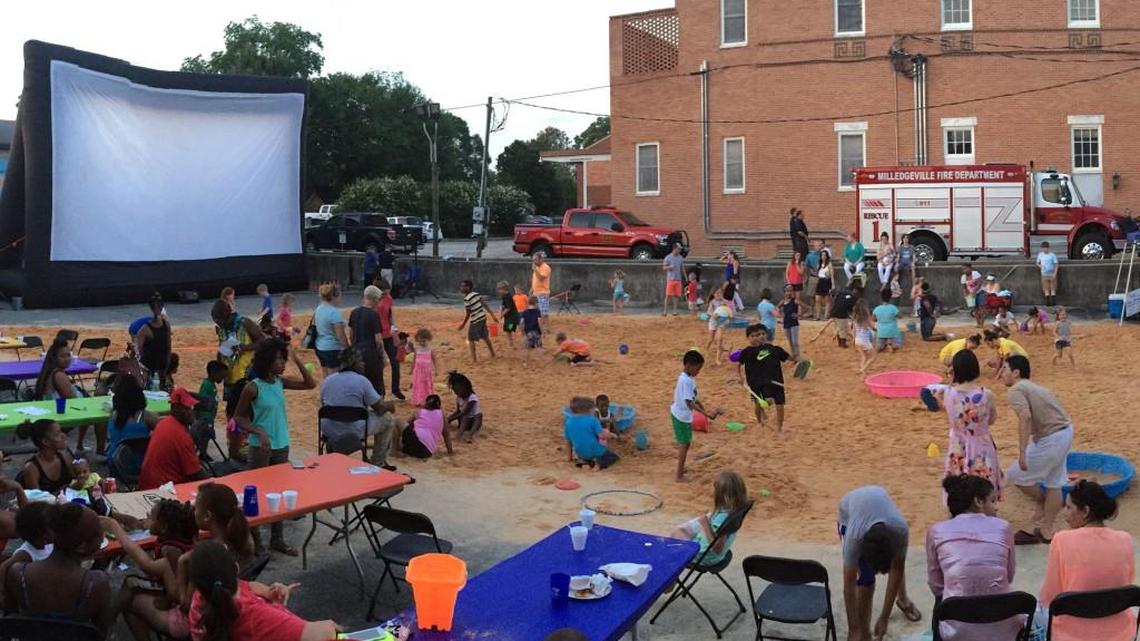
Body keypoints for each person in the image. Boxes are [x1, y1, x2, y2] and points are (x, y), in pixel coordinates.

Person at [233, 339, 316, 556]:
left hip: (281, 445)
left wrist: (298, 360)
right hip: (260, 447)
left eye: (283, 358)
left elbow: (310, 384)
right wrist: (258, 431)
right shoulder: (253, 387)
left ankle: (276, 539)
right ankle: (257, 541)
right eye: (278, 359)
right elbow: (239, 417)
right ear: (267, 361)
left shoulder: (279, 382)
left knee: (277, 492)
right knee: (256, 494)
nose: (282, 363)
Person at [187, 540, 339, 641]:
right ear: (236, 567)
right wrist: (329, 626)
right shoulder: (253, 617)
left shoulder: (202, 603)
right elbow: (320, 635)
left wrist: (268, 592)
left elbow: (249, 586)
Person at [1039, 480, 1135, 641]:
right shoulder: (1125, 539)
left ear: (1085, 511)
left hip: (1071, 633)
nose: (1064, 513)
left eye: (1069, 507)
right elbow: (1126, 584)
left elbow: (1050, 596)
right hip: (1121, 632)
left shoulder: (1061, 539)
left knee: (1036, 609)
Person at [926, 475, 1018, 641]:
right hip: (1001, 623)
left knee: (942, 601)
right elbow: (1009, 575)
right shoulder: (1003, 527)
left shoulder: (936, 531)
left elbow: (936, 585)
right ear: (978, 501)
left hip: (956, 626)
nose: (996, 508)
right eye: (993, 501)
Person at [1, 503, 113, 636]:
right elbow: (101, 633)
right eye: (99, 533)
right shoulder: (97, 583)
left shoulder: (18, 574)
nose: (102, 538)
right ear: (82, 547)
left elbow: (10, 623)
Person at [1000, 355, 1074, 544]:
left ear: (1016, 373)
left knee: (1015, 475)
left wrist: (1023, 451)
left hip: (1051, 437)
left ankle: (1041, 503)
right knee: (1054, 482)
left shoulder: (1016, 389)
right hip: (1064, 432)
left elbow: (1025, 417)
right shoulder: (1037, 387)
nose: (1001, 374)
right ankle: (1047, 530)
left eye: (1005, 369)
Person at [104, 499, 198, 641]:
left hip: (182, 619)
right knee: (131, 587)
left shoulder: (171, 551)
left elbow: (172, 590)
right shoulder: (182, 540)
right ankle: (108, 621)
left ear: (164, 527)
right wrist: (137, 523)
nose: (147, 518)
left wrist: (115, 528)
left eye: (150, 517)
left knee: (129, 590)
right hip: (187, 607)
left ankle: (105, 624)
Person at [838, 486, 920, 641]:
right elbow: (849, 584)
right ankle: (864, 632)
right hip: (849, 510)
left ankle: (902, 599)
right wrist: (853, 628)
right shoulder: (854, 537)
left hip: (876, 499)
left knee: (896, 563)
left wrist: (884, 618)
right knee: (867, 580)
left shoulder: (900, 530)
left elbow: (897, 568)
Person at [320, 348, 399, 470]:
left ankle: (333, 455)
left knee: (355, 412)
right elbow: (379, 408)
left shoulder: (328, 380)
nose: (363, 364)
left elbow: (324, 405)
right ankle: (378, 462)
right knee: (388, 420)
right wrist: (390, 406)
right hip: (353, 429)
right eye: (361, 361)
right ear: (354, 363)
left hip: (329, 429)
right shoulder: (362, 381)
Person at [943, 350, 1002, 494]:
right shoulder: (986, 394)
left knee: (958, 486)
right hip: (980, 443)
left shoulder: (948, 393)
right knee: (982, 486)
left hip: (957, 443)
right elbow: (992, 420)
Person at [34, 337, 104, 457]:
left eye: (68, 355)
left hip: (50, 413)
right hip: (59, 418)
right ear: (54, 358)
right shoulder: (59, 375)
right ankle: (100, 451)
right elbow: (73, 401)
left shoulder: (48, 371)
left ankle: (80, 446)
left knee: (89, 405)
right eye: (63, 356)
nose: (67, 359)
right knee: (101, 415)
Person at [138, 387, 210, 491]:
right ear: (176, 408)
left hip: (149, 485)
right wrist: (215, 482)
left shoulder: (163, 423)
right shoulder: (180, 435)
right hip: (165, 489)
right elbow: (195, 473)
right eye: (187, 408)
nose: (192, 413)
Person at [672, 471, 748, 567]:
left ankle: (669, 577)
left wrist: (705, 524)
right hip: (714, 554)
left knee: (676, 534)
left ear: (721, 495)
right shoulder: (735, 509)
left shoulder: (722, 518)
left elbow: (717, 548)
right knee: (682, 531)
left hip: (705, 557)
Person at [671, 350, 722, 481]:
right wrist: (706, 414)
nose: (698, 372)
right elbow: (690, 403)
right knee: (685, 445)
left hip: (680, 414)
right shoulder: (686, 381)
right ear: (688, 365)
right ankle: (679, 475)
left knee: (685, 444)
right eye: (697, 368)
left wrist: (706, 412)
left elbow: (694, 398)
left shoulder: (688, 378)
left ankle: (680, 469)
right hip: (681, 417)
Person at [212, 298, 266, 410]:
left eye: (218, 320)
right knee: (233, 409)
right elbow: (222, 347)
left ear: (226, 315)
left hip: (248, 372)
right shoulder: (222, 328)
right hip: (230, 376)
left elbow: (263, 340)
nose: (218, 323)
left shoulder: (244, 322)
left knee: (250, 408)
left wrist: (245, 347)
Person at [738, 324, 792, 430]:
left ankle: (779, 428)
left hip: (774, 381)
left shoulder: (774, 349)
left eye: (762, 334)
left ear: (767, 335)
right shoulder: (748, 351)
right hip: (755, 382)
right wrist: (741, 378)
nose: (759, 336)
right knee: (759, 403)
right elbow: (739, 364)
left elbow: (789, 358)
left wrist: (796, 361)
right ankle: (760, 422)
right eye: (756, 335)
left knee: (779, 404)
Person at [107, 375, 160, 476]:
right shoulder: (145, 416)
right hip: (138, 465)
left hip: (115, 464)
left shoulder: (114, 415)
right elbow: (164, 432)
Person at [348, 285, 387, 397]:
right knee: (376, 383)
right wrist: (383, 356)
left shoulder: (354, 312)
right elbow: (378, 340)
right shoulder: (374, 315)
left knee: (360, 382)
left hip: (357, 352)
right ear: (374, 299)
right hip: (371, 354)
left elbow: (351, 334)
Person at [17, 419, 75, 494]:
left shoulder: (65, 457)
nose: (64, 436)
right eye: (57, 434)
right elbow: (36, 501)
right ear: (46, 442)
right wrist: (60, 493)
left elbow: (76, 482)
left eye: (61, 431)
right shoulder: (31, 468)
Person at [564, 396, 617, 470]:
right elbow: (602, 436)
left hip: (582, 453)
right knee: (613, 457)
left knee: (584, 452)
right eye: (593, 409)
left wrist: (569, 458)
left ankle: (585, 462)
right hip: (596, 452)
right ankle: (599, 464)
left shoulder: (568, 422)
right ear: (588, 410)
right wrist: (612, 435)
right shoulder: (593, 420)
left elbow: (568, 441)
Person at [372, 279, 404, 399]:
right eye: (384, 293)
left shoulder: (388, 298)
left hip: (388, 334)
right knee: (379, 364)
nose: (387, 295)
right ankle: (381, 392)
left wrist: (395, 333)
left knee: (395, 362)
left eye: (387, 293)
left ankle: (395, 389)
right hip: (377, 335)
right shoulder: (371, 301)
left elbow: (391, 317)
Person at [136, 292, 173, 391]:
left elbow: (169, 347)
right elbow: (139, 351)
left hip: (162, 365)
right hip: (151, 366)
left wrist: (167, 367)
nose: (157, 308)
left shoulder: (166, 325)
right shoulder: (145, 329)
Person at [400, 394, 452, 459]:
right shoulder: (442, 414)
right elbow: (447, 436)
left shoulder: (420, 412)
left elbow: (405, 423)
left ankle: (393, 449)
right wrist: (450, 452)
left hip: (414, 444)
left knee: (398, 422)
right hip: (427, 452)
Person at [458, 280, 498, 362]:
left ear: (468, 288)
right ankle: (493, 353)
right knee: (485, 337)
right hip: (483, 318)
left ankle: (474, 360)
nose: (461, 288)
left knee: (471, 339)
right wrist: (492, 315)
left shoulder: (466, 299)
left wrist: (463, 324)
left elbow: (468, 314)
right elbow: (485, 305)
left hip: (475, 320)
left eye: (463, 286)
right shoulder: (476, 294)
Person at [313, 282, 348, 376]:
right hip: (332, 348)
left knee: (326, 377)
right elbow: (340, 335)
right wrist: (347, 348)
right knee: (335, 378)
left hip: (320, 347)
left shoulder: (318, 309)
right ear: (334, 296)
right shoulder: (334, 312)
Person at [445, 371, 483, 443]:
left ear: (465, 388)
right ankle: (459, 435)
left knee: (478, 416)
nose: (456, 393)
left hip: (472, 422)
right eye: (454, 391)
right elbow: (458, 411)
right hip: (463, 422)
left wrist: (451, 419)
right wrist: (448, 419)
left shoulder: (472, 398)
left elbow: (464, 412)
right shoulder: (459, 398)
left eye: (457, 390)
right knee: (465, 417)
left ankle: (470, 435)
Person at [408, 328, 438, 406]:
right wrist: (411, 369)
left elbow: (434, 359)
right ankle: (418, 400)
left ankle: (427, 400)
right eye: (420, 341)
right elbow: (414, 359)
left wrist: (436, 370)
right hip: (418, 372)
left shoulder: (430, 349)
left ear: (428, 339)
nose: (422, 342)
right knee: (419, 386)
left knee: (426, 386)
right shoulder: (417, 349)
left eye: (424, 341)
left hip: (427, 372)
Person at [705, 286, 734, 366]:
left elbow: (729, 310)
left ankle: (717, 359)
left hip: (721, 322)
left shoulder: (724, 302)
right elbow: (709, 312)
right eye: (717, 293)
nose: (718, 294)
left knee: (720, 339)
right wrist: (713, 315)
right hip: (713, 322)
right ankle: (706, 349)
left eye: (720, 293)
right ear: (713, 294)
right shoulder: (712, 302)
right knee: (711, 338)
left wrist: (730, 316)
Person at [777, 284, 804, 360]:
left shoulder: (795, 301)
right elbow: (777, 308)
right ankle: (794, 356)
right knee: (790, 342)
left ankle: (797, 356)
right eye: (787, 291)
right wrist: (781, 314)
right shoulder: (782, 301)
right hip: (786, 323)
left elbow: (806, 307)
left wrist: (799, 315)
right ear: (784, 292)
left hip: (794, 323)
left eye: (791, 291)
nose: (789, 292)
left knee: (795, 342)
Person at [851, 299, 877, 373]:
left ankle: (862, 370)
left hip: (857, 340)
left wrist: (853, 343)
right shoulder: (866, 318)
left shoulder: (855, 319)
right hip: (864, 340)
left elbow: (854, 331)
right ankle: (863, 369)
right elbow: (872, 327)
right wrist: (876, 329)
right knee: (873, 356)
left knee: (864, 356)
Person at [662, 243, 685, 316]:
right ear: (674, 249)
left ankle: (675, 311)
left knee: (676, 295)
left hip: (678, 279)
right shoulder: (668, 257)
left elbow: (682, 267)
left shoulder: (680, 257)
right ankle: (665, 311)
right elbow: (664, 267)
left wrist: (685, 277)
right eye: (679, 249)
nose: (680, 250)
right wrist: (669, 267)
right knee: (668, 295)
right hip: (670, 279)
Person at [531, 254, 552, 330]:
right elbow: (535, 280)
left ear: (541, 259)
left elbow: (541, 278)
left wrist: (535, 270)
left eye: (535, 260)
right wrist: (531, 289)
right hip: (536, 292)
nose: (534, 262)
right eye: (533, 260)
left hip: (543, 293)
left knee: (543, 313)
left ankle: (543, 329)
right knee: (540, 312)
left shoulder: (545, 267)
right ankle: (546, 328)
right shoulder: (537, 267)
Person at [498, 280, 520, 348]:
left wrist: (502, 315)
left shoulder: (507, 296)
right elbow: (503, 305)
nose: (499, 291)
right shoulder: (504, 296)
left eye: (499, 289)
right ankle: (510, 342)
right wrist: (501, 309)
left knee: (508, 329)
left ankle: (511, 343)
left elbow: (508, 308)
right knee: (508, 330)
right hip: (509, 316)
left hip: (512, 316)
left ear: (504, 289)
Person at [1036, 241, 1059, 307]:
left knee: (1053, 288)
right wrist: (1041, 266)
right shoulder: (1040, 255)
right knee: (1046, 288)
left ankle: (1053, 302)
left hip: (1052, 274)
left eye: (1046, 248)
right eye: (1043, 248)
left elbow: (1056, 264)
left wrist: (1055, 273)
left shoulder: (1052, 255)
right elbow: (1037, 263)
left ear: (1048, 248)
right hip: (1044, 274)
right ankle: (1047, 302)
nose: (1044, 249)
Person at [814, 248, 834, 321]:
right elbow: (817, 273)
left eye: (825, 255)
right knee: (817, 299)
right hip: (820, 281)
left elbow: (831, 275)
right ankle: (818, 315)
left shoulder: (829, 264)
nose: (823, 256)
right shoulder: (818, 264)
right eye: (822, 255)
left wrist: (833, 284)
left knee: (827, 299)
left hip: (827, 281)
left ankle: (826, 316)